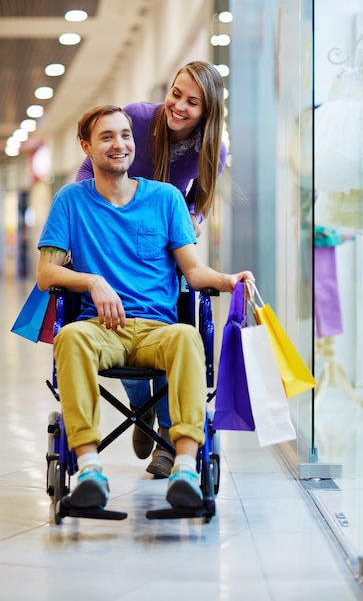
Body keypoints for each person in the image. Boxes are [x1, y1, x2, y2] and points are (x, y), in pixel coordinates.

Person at [36, 105, 254, 510]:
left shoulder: (166, 199)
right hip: (100, 327)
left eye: (125, 135)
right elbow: (46, 274)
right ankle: (89, 469)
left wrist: (227, 280)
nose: (119, 144)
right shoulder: (70, 201)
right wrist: (91, 280)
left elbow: (193, 270)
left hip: (158, 329)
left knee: (187, 338)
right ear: (86, 147)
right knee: (70, 337)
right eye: (106, 137)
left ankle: (185, 467)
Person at [76, 61, 228, 478]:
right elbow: (91, 170)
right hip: (110, 225)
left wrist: (190, 219)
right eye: (175, 93)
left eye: (192, 102)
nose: (178, 105)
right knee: (119, 314)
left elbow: (200, 199)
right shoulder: (139, 119)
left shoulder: (212, 148)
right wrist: (82, 212)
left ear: (208, 111)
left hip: (160, 235)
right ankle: (143, 414)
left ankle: (163, 428)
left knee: (161, 320)